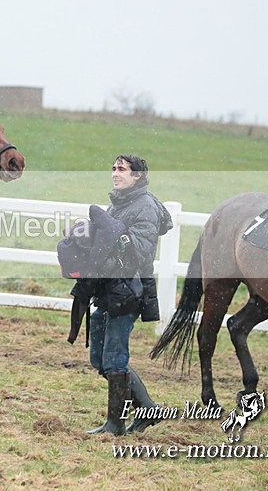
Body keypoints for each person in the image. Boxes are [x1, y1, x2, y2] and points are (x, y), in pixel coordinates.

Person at [83, 154, 172, 435]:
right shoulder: (120, 203)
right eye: (113, 168)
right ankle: (147, 409)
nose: (115, 173)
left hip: (129, 291)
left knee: (115, 357)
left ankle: (116, 423)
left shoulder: (144, 206)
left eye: (121, 169)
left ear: (138, 177)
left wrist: (109, 241)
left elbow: (139, 249)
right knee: (100, 357)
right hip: (113, 289)